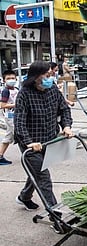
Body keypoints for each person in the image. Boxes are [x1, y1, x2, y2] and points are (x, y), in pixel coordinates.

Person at [14, 61, 73, 227]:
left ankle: (24, 197)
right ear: (36, 77)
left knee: (37, 173)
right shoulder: (24, 94)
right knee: (43, 177)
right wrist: (29, 142)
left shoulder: (53, 89)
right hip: (31, 143)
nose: (50, 78)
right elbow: (19, 123)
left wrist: (66, 126)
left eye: (51, 75)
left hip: (49, 139)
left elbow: (64, 109)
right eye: (47, 75)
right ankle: (57, 218)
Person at [0, 69, 18, 165]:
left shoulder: (16, 90)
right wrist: (16, 104)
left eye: (13, 78)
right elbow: (2, 105)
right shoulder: (6, 91)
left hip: (16, 116)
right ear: (4, 80)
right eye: (8, 78)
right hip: (10, 116)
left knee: (8, 137)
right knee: (19, 134)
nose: (11, 80)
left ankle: (0, 156)